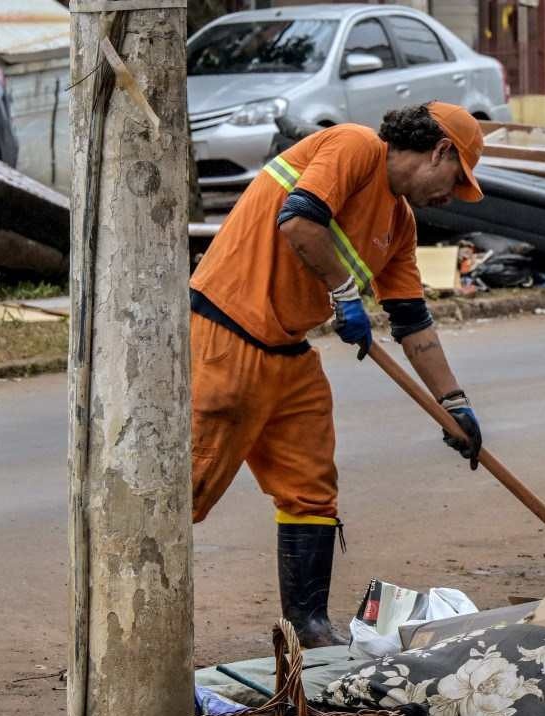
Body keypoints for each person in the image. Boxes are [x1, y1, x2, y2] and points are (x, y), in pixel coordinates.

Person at [188, 102, 485, 646]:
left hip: (289, 352)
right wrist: (345, 292)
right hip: (225, 335)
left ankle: (309, 627)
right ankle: (131, 631)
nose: (452, 194)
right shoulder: (353, 146)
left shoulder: (399, 224)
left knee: (311, 492)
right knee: (185, 489)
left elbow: (412, 322)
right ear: (440, 150)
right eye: (456, 178)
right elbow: (300, 220)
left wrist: (454, 402)